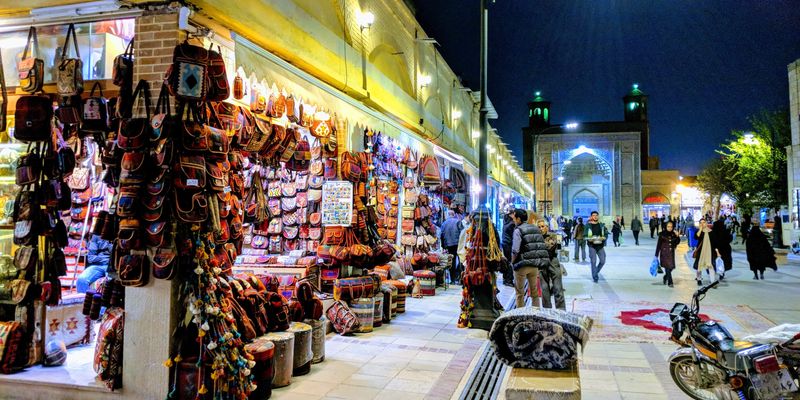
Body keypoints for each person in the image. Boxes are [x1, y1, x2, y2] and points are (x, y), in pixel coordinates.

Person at [510, 209, 550, 307]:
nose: (513, 220)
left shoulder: (518, 230)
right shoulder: (535, 228)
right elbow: (539, 245)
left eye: (514, 217)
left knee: (520, 293)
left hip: (522, 265)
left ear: (519, 219)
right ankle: (535, 314)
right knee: (534, 292)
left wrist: (512, 261)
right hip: (534, 266)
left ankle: (521, 315)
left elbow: (515, 250)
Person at [537, 220, 566, 310]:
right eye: (539, 227)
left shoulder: (553, 235)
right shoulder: (536, 237)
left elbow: (550, 247)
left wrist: (538, 246)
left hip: (553, 261)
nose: (541, 229)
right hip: (541, 263)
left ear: (547, 227)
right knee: (544, 289)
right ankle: (547, 311)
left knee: (558, 288)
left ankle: (561, 311)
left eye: (543, 226)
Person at [692, 218, 719, 286]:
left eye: (703, 222)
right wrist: (700, 229)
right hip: (701, 252)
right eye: (700, 223)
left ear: (706, 223)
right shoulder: (699, 231)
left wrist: (717, 252)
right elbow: (696, 237)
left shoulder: (711, 232)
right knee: (699, 266)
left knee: (710, 266)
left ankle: (712, 281)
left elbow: (715, 243)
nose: (702, 224)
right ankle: (699, 279)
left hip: (710, 251)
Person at [655, 221, 681, 287]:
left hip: (671, 253)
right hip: (664, 253)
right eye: (668, 226)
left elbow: (677, 242)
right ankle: (670, 282)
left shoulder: (674, 234)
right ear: (666, 227)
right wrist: (656, 255)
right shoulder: (662, 234)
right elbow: (658, 245)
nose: (670, 228)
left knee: (671, 267)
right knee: (667, 267)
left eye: (671, 227)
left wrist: (677, 236)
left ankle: (665, 277)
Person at [585, 211, 609, 283]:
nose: (595, 216)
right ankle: (595, 277)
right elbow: (584, 235)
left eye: (596, 215)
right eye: (593, 215)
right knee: (593, 261)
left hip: (600, 245)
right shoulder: (588, 226)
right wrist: (589, 239)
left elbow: (606, 234)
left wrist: (604, 237)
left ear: (598, 216)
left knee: (602, 261)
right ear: (591, 217)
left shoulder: (601, 225)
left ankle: (595, 272)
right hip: (592, 245)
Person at [440, 210, 462, 283]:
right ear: (454, 214)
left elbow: (442, 235)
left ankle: (452, 279)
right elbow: (462, 233)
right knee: (460, 260)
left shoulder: (444, 223)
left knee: (451, 261)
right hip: (457, 244)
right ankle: (458, 278)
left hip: (448, 245)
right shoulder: (458, 222)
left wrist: (443, 246)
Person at [500, 210, 516, 287]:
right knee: (510, 262)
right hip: (509, 244)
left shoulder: (505, 222)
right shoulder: (512, 224)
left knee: (506, 261)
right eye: (514, 214)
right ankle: (509, 280)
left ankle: (505, 278)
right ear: (511, 214)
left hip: (505, 243)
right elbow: (514, 235)